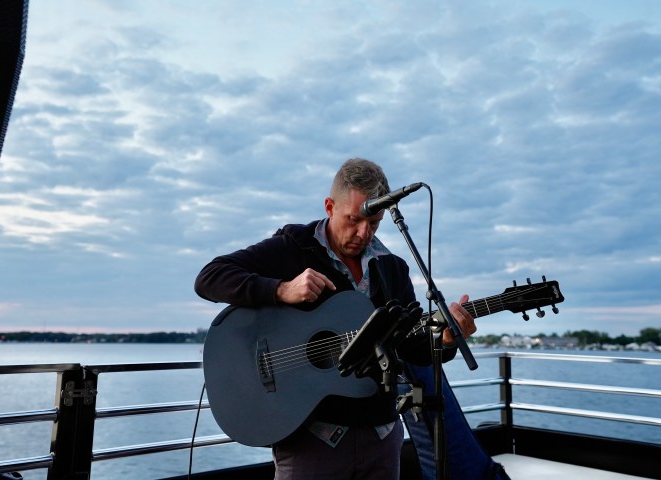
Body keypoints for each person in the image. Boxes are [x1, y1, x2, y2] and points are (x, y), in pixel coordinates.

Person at [195, 158, 477, 480]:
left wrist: (445, 341)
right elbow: (209, 277)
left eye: (374, 223)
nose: (363, 233)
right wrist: (281, 289)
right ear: (329, 206)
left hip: (382, 438)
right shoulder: (292, 248)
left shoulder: (393, 269)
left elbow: (411, 348)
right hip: (312, 442)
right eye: (353, 220)